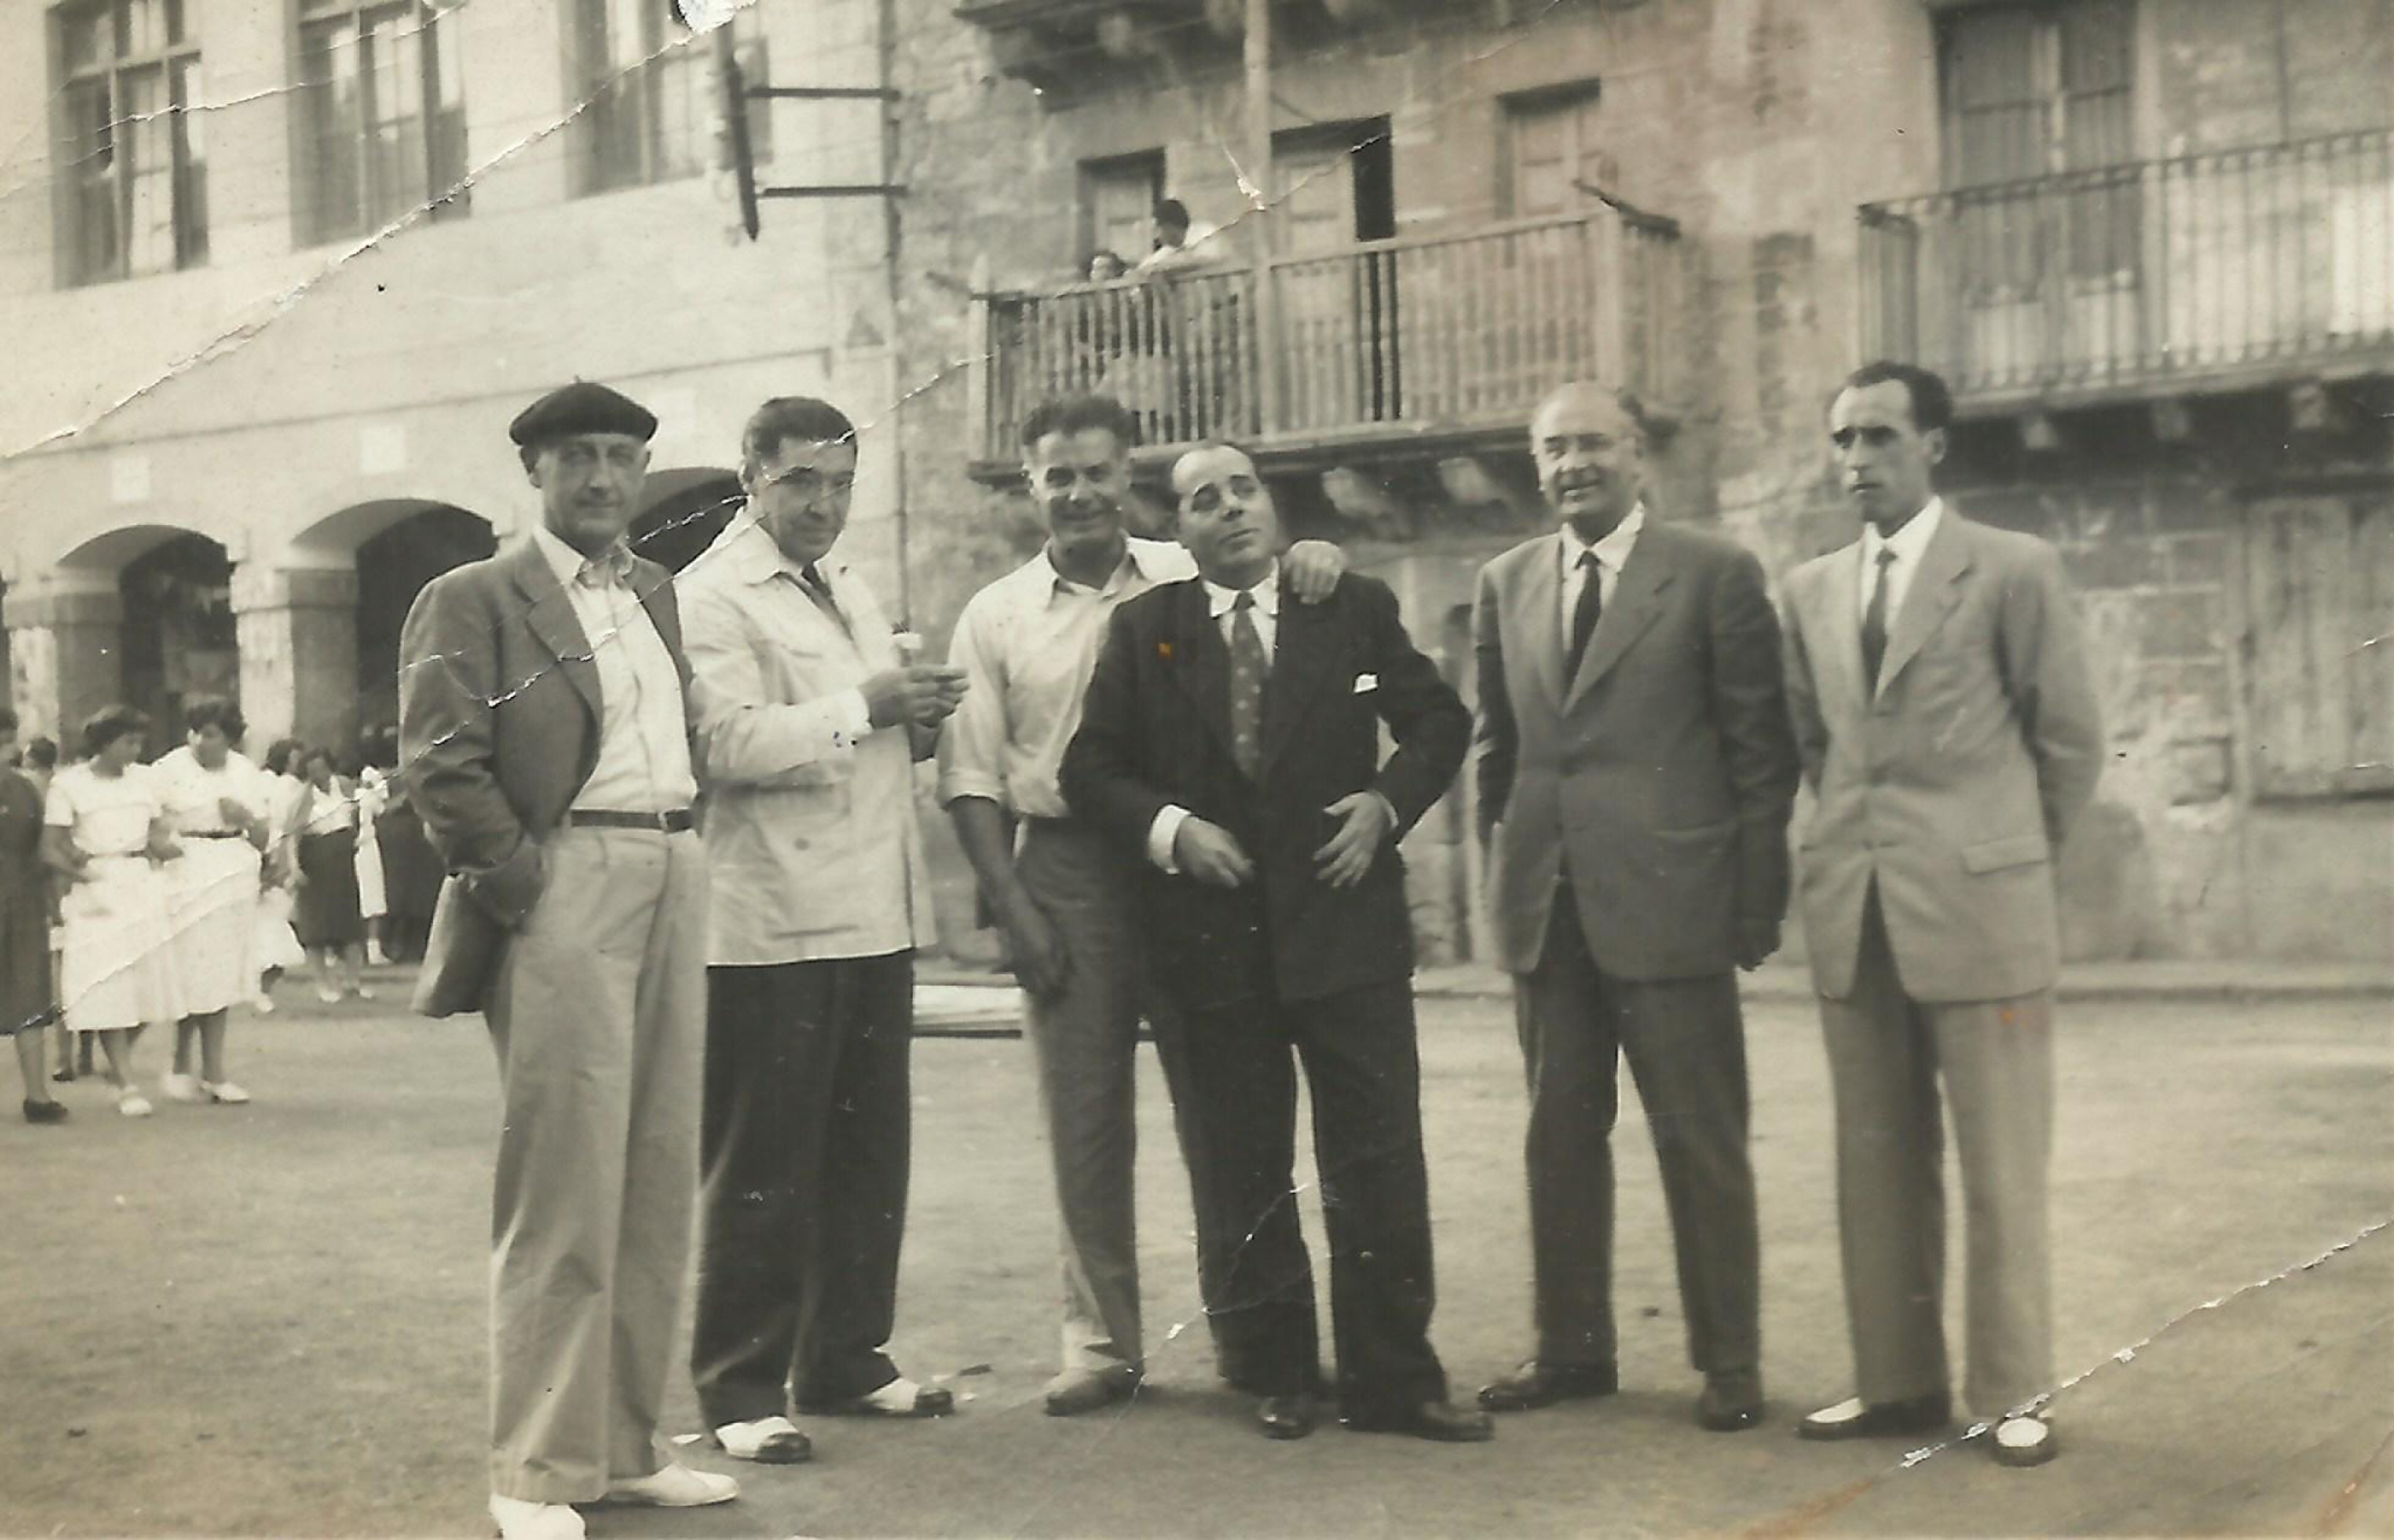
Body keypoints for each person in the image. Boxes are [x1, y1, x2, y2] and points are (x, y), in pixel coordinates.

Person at [1059, 441, 1488, 1445]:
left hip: (1347, 934)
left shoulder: (1349, 608)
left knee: (1377, 1160)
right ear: (1177, 531)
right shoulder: (1146, 628)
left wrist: (1386, 804)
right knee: (1241, 1167)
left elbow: (1437, 723)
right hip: (1210, 946)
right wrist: (1172, 829)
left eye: (1243, 489)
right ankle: (1278, 1372)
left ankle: (1396, 1382)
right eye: (1203, 501)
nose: (1230, 509)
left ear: (1270, 502)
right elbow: (1090, 767)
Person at [938, 393, 1343, 1416]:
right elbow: (972, 780)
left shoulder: (1183, 566)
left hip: (1185, 858)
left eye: (1097, 472)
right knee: (1084, 1114)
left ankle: (1251, 1339)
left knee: (1226, 1107)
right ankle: (1102, 1341)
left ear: (1130, 479)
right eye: (1055, 475)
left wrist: (1312, 557)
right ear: (1029, 486)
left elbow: (1276, 593)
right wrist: (1014, 910)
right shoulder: (994, 614)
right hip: (1068, 867)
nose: (1078, 492)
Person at [399, 381, 732, 1540]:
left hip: (672, 867)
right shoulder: (476, 595)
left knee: (651, 1168)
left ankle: (626, 1446)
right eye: (577, 458)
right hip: (567, 881)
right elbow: (442, 765)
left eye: (622, 458)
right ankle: (536, 1469)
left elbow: (675, 731)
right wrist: (524, 882)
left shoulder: (652, 590)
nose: (602, 479)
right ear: (534, 473)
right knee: (563, 1180)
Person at [1781, 361, 2103, 1469]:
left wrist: (2005, 862)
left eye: (1876, 435)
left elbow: (2066, 742)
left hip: (1985, 909)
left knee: (2000, 1166)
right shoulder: (1809, 587)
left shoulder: (2013, 569)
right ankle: (1895, 1381)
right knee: (1874, 1161)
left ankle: (2014, 1389)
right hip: (1854, 909)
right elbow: (1817, 748)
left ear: (1934, 448)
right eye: (1840, 438)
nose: (1855, 459)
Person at [1469, 383, 1799, 1433]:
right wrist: (1506, 872)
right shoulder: (1505, 581)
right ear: (1537, 467)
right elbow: (1499, 750)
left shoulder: (1713, 574)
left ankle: (1730, 1360)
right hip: (1549, 907)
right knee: (1557, 1135)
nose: (1574, 464)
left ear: (1639, 458)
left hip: (1674, 903)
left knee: (1699, 1138)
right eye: (1554, 448)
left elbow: (1762, 754)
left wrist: (1753, 899)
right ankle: (1571, 1349)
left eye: (1594, 444)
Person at [679, 397, 964, 1465]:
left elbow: (862, 723)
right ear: (751, 477)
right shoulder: (711, 594)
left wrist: (915, 721)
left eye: (841, 483)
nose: (823, 504)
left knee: (865, 1150)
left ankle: (846, 1355)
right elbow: (729, 744)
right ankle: (739, 1385)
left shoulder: (846, 580)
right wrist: (870, 706)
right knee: (766, 1159)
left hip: (868, 909)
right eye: (802, 481)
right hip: (769, 922)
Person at [42, 706, 181, 1118]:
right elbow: (51, 848)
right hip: (98, 888)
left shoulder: (144, 780)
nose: (135, 750)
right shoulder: (69, 784)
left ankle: (114, 1065)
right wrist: (83, 873)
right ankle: (124, 1080)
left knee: (151, 984)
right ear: (104, 743)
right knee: (108, 986)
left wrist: (168, 847)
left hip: (141, 882)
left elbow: (156, 832)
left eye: (139, 742)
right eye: (128, 742)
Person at [153, 696, 271, 1105]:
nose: (198, 741)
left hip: (233, 869)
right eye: (194, 731)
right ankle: (180, 1065)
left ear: (230, 737)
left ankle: (214, 1073)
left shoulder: (246, 772)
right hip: (186, 869)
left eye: (209, 733)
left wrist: (245, 818)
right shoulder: (168, 770)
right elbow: (151, 828)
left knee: (222, 971)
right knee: (191, 970)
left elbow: (263, 839)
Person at [1, 710, 65, 1123]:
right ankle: (38, 1096)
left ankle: (38, 1095)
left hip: (21, 898)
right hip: (20, 894)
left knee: (30, 992)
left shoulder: (26, 788)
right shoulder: (25, 788)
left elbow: (44, 848)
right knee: (27, 989)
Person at [290, 747, 369, 1004]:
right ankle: (323, 984)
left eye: (322, 769)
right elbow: (293, 835)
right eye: (312, 771)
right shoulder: (303, 796)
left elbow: (362, 815)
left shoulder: (345, 787)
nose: (319, 775)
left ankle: (352, 982)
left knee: (350, 922)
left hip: (343, 860)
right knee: (316, 926)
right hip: (315, 860)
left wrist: (358, 839)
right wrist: (294, 866)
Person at [250, 739, 309, 1012]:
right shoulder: (268, 782)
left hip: (277, 854)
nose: (296, 763)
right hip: (262, 855)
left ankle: (261, 988)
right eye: (293, 757)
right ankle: (257, 989)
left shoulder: (291, 785)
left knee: (278, 926)